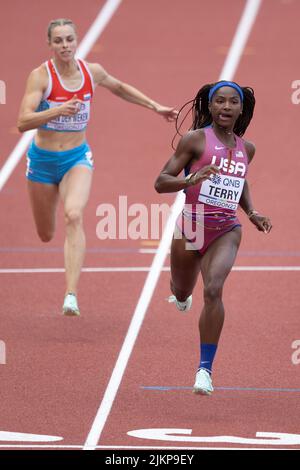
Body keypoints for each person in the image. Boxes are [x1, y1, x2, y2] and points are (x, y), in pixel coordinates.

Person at [17, 18, 178, 316]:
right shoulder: (41, 77)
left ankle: (71, 295)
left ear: (77, 41)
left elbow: (120, 88)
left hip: (76, 158)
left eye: (69, 39)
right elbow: (22, 121)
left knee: (74, 214)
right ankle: (66, 279)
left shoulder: (93, 72)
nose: (65, 45)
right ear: (50, 44)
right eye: (58, 41)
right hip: (41, 161)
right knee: (45, 233)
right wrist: (56, 110)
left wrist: (155, 107)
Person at [154, 80, 272, 395]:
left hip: (226, 230)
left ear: (241, 108)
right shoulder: (195, 141)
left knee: (214, 290)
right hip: (190, 227)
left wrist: (251, 212)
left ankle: (204, 370)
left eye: (232, 102)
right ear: (209, 106)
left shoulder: (247, 148)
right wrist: (192, 178)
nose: (226, 107)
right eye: (219, 101)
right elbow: (161, 181)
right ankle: (180, 295)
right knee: (182, 290)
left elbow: (240, 180)